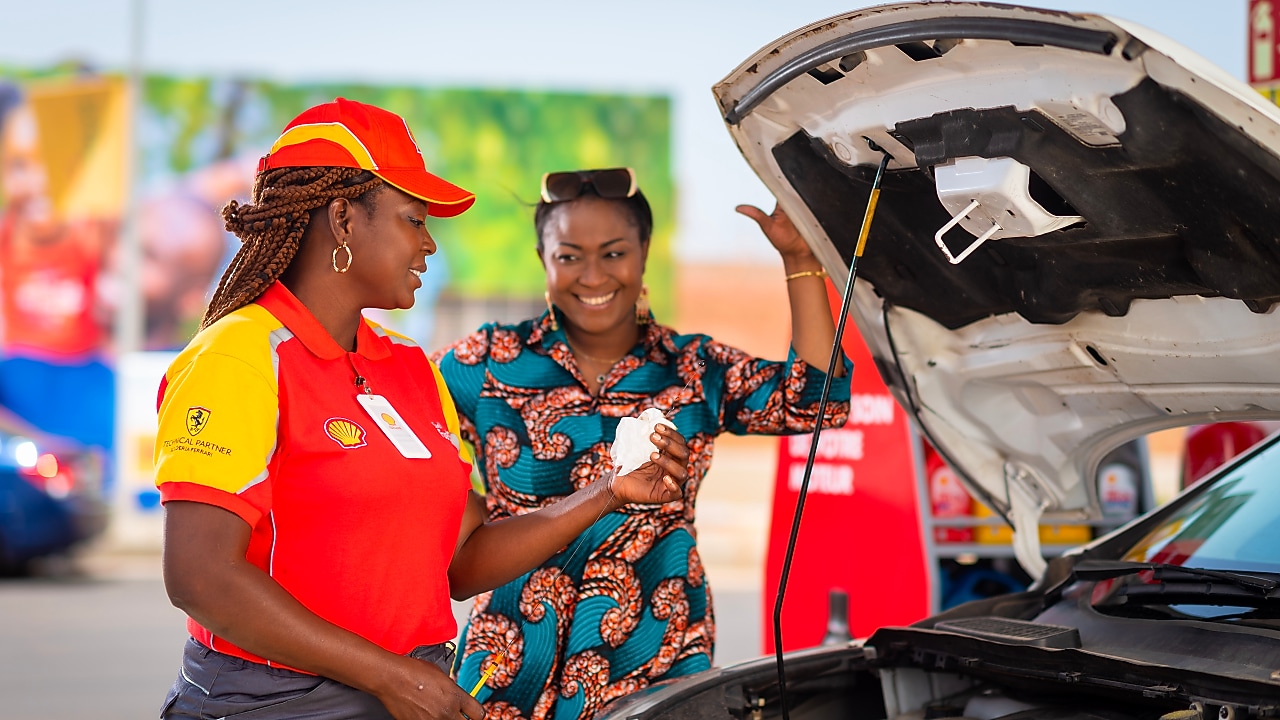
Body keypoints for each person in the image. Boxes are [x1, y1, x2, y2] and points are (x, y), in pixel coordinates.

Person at [153, 99, 691, 720]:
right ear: (343, 219)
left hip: (404, 691)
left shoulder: (410, 367)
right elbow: (199, 577)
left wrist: (607, 493)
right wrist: (389, 678)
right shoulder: (240, 356)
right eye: (414, 219)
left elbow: (459, 560)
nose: (429, 243)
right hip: (273, 703)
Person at [432, 167, 852, 720]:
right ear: (542, 258)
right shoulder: (482, 365)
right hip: (513, 668)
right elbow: (416, 483)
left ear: (645, 250)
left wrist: (800, 261)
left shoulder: (693, 367)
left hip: (658, 661)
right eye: (569, 255)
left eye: (612, 253)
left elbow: (817, 401)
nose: (592, 275)